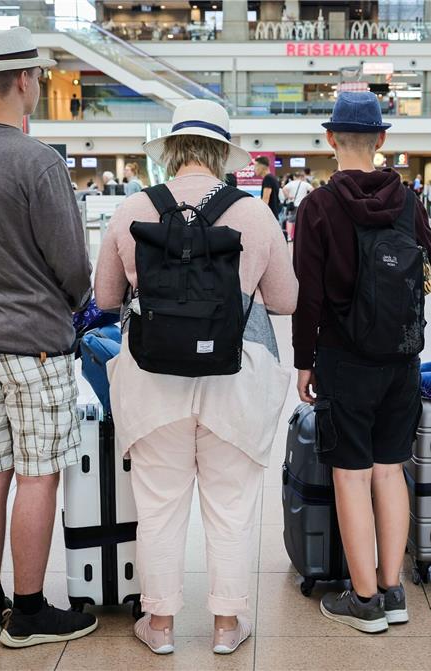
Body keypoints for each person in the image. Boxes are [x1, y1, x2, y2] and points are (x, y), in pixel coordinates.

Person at [94, 99, 297, 656]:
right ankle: (228, 626)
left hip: (151, 378)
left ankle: (158, 626)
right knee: (230, 506)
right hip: (235, 378)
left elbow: (107, 297)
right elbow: (285, 299)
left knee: (158, 505)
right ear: (221, 154)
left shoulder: (131, 207)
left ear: (173, 151)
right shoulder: (254, 213)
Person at [0, 26, 96, 648]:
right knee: (37, 474)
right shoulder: (38, 161)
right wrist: (80, 305)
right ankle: (28, 612)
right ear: (27, 81)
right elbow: (72, 265)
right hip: (31, 343)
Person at [293, 91, 431, 634]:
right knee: (390, 471)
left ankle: (362, 601)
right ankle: (392, 590)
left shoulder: (316, 206)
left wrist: (304, 362)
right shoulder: (408, 201)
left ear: (331, 139)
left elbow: (306, 295)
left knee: (351, 478)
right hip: (403, 358)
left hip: (342, 357)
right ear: (382, 140)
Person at [282, 171, 313, 241]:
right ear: (301, 177)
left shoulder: (291, 183)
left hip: (293, 205)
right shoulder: (305, 184)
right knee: (301, 221)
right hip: (302, 205)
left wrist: (288, 196)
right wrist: (307, 197)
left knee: (290, 220)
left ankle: (289, 237)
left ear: (294, 177)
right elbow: (312, 190)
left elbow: (284, 189)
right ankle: (300, 237)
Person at [254, 155, 281, 221]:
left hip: (269, 217)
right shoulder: (272, 177)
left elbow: (265, 200)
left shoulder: (268, 178)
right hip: (273, 215)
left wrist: (260, 216)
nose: (254, 169)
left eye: (256, 166)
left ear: (262, 167)